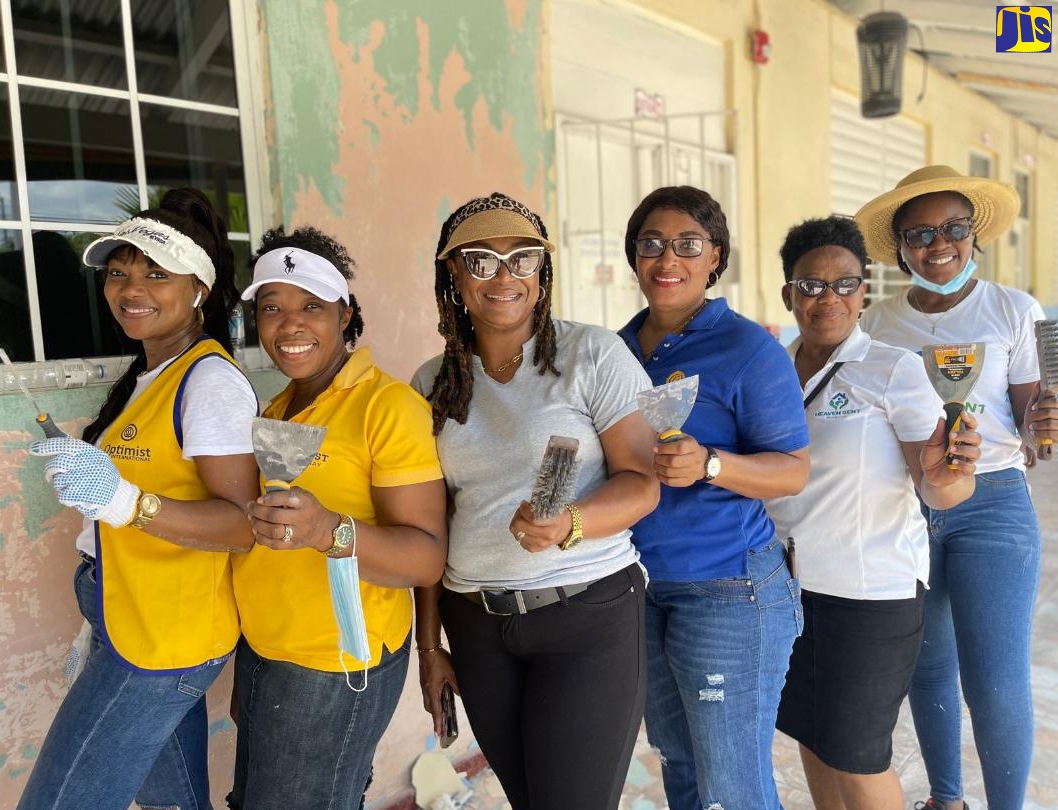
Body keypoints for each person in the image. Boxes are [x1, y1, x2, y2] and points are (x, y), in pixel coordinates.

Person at [412, 192, 659, 810]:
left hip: (586, 615)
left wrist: (569, 524)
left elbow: (642, 481)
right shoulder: (430, 383)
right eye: (481, 260)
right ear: (453, 275)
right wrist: (430, 646)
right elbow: (429, 526)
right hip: (476, 625)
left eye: (523, 259)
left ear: (542, 274)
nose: (505, 276)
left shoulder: (591, 355)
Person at [19, 188, 259, 810]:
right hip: (128, 617)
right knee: (172, 805)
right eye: (120, 272)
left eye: (157, 273)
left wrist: (125, 502)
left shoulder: (208, 383)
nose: (132, 288)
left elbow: (242, 525)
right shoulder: (151, 375)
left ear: (199, 290)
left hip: (163, 639)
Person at [856, 164, 1058, 810]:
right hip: (905, 506)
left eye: (953, 229)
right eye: (920, 234)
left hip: (993, 502)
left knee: (995, 680)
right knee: (928, 667)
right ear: (901, 247)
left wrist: (1044, 422)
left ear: (975, 236)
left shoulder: (1011, 310)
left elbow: (1030, 426)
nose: (938, 246)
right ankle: (946, 800)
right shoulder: (876, 324)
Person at [767, 216, 981, 810]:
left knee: (858, 757)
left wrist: (950, 474)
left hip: (871, 596)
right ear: (788, 294)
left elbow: (938, 489)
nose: (827, 298)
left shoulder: (892, 369)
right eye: (810, 285)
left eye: (844, 284)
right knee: (813, 737)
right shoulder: (773, 371)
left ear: (865, 291)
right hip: (786, 592)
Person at [229, 226, 447, 810]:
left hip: (333, 663)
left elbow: (426, 555)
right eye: (271, 308)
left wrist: (329, 530)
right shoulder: (277, 407)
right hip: (263, 651)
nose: (289, 324)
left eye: (311, 307)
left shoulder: (387, 406)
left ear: (345, 315)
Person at [617, 185, 810, 809]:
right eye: (651, 244)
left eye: (687, 245)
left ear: (714, 258)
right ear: (634, 256)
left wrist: (712, 464)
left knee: (732, 785)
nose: (667, 259)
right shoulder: (613, 352)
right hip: (642, 590)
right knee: (680, 764)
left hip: (729, 588)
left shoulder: (748, 349)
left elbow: (792, 471)